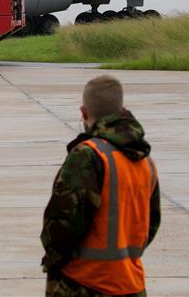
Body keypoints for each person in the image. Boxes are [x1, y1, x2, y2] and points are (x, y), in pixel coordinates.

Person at [41, 75, 161, 297]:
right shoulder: (146, 161)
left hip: (84, 283)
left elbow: (62, 221)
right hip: (131, 284)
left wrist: (53, 261)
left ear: (84, 112)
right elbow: (151, 224)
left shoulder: (88, 155)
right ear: (122, 109)